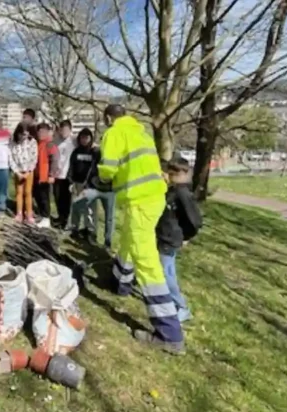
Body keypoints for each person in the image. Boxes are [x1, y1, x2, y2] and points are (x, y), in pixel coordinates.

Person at [98, 103, 185, 354]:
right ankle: (120, 284)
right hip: (155, 196)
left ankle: (169, 332)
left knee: (146, 260)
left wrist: (102, 177)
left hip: (139, 200)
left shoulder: (114, 133)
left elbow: (108, 168)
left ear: (108, 118)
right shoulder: (142, 133)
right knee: (128, 239)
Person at [157, 158, 202, 323]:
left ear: (182, 174)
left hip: (170, 239)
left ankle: (182, 307)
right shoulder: (172, 190)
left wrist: (187, 237)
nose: (169, 176)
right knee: (167, 272)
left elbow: (196, 221)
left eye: (172, 174)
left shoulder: (183, 194)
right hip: (163, 236)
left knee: (167, 275)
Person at [69, 128, 116, 248]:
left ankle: (108, 241)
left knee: (109, 217)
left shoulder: (109, 153)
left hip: (110, 190)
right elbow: (75, 167)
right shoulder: (93, 152)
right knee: (81, 206)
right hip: (93, 187)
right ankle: (84, 230)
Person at [10, 122, 38, 223]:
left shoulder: (32, 142)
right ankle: (19, 213)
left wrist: (28, 171)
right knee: (19, 192)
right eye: (22, 134)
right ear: (18, 133)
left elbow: (34, 158)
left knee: (28, 192)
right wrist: (17, 172)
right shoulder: (13, 142)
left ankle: (29, 214)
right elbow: (11, 158)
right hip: (18, 171)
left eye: (26, 134)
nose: (24, 137)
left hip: (29, 171)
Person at [34, 123, 58, 228]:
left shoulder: (50, 144)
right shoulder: (37, 143)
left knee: (45, 198)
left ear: (48, 132)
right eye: (39, 131)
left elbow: (54, 160)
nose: (40, 133)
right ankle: (41, 215)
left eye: (43, 131)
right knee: (38, 196)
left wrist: (51, 175)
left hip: (45, 176)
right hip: (37, 175)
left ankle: (46, 218)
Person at [53, 119, 76, 228]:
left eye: (66, 129)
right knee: (57, 197)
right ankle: (60, 217)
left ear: (70, 130)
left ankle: (66, 220)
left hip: (68, 175)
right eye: (62, 130)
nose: (64, 132)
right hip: (57, 174)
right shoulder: (56, 140)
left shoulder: (74, 140)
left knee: (66, 199)